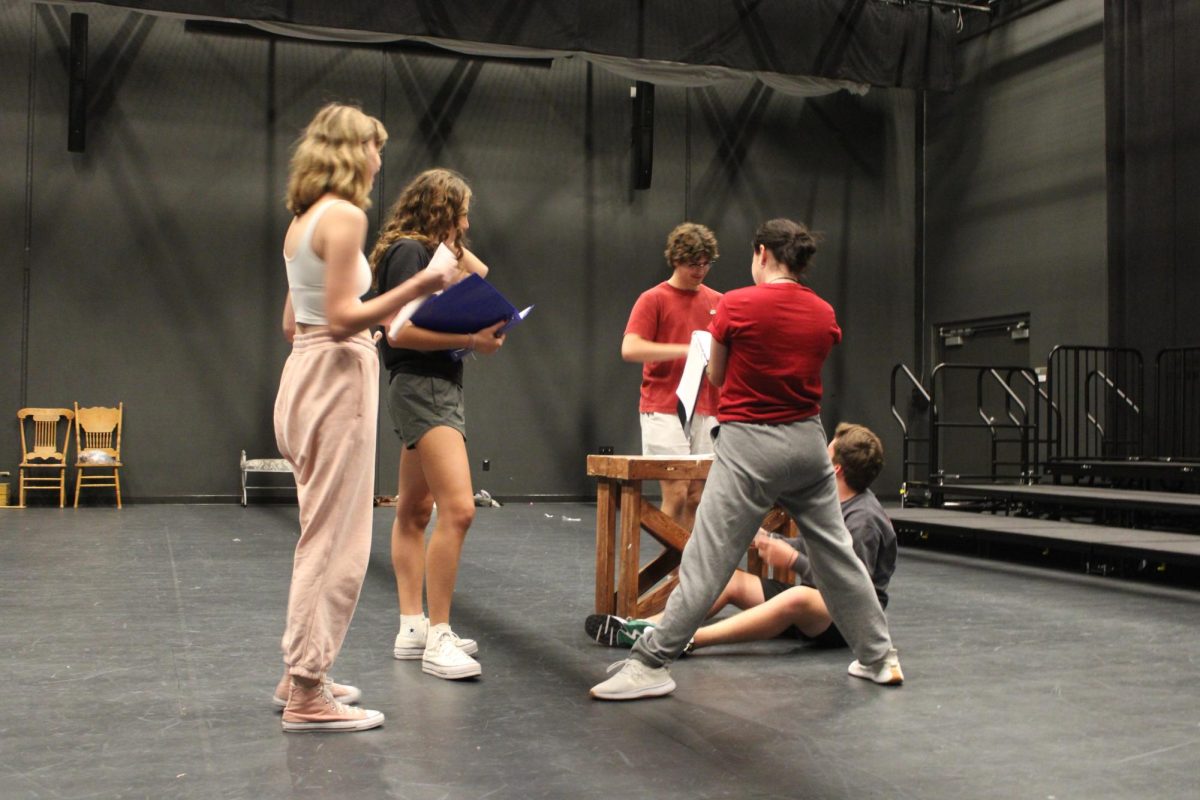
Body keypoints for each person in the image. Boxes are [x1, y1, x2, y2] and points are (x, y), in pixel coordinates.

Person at [590, 218, 905, 701]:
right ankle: (880, 657)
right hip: (806, 444)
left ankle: (653, 662)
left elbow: (714, 375)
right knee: (838, 555)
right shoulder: (823, 312)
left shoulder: (735, 304)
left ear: (761, 253)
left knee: (707, 557)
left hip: (748, 444)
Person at [271, 104, 456, 732]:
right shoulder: (346, 214)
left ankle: (304, 668)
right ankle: (305, 690)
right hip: (335, 383)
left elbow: (294, 323)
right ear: (355, 152)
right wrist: (424, 283)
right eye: (376, 148)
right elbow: (347, 317)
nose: (381, 161)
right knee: (338, 541)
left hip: (304, 376)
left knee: (316, 532)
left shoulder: (302, 221)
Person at [585, 423, 896, 654]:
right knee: (732, 580)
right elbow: (818, 548)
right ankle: (653, 627)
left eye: (825, 451)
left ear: (836, 468)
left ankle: (691, 641)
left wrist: (792, 560)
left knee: (797, 598)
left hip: (845, 624)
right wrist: (775, 542)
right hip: (819, 602)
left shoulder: (864, 520)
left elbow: (855, 588)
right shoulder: (835, 503)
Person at [369, 168, 501, 681]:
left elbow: (481, 273)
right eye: (460, 212)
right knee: (460, 510)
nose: (467, 222)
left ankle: (412, 627)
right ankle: (439, 635)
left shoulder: (427, 250)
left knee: (417, 509)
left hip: (432, 385)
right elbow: (398, 333)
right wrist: (473, 342)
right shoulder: (409, 253)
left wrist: (452, 242)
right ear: (440, 210)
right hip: (423, 386)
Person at [622, 223, 722, 532]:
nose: (700, 270)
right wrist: (688, 350)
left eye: (706, 263)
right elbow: (630, 348)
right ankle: (670, 571)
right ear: (677, 259)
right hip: (664, 407)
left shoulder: (719, 301)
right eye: (694, 263)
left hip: (708, 408)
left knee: (697, 496)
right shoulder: (654, 299)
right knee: (677, 492)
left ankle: (688, 572)